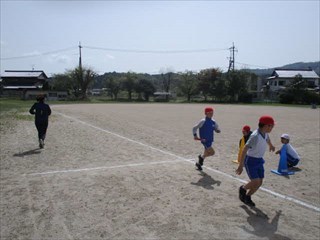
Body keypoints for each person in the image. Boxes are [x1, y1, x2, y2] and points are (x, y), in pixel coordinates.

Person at [236, 115, 275, 207]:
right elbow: (245, 149)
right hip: (250, 161)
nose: (272, 128)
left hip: (259, 160)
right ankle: (243, 188)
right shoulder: (255, 136)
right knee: (255, 181)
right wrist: (241, 165)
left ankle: (248, 196)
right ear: (266, 126)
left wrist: (271, 145)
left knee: (260, 182)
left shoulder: (265, 133)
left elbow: (267, 139)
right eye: (271, 126)